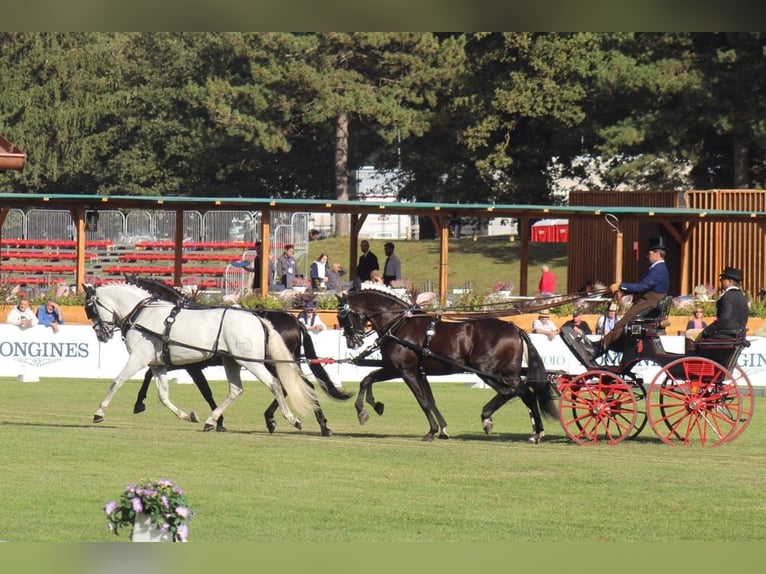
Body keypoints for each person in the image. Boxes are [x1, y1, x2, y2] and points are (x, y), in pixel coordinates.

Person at [601, 236, 669, 353]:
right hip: (648, 302)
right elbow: (641, 287)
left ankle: (600, 347)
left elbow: (641, 286)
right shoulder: (657, 268)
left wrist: (621, 285)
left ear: (657, 253)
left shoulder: (658, 270)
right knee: (621, 324)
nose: (647, 255)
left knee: (621, 324)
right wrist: (623, 291)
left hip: (647, 304)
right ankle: (608, 346)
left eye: (649, 253)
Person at [697, 267, 749, 341]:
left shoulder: (727, 296)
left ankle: (693, 353)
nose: (721, 281)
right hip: (739, 334)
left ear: (730, 281)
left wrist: (707, 331)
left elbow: (724, 318)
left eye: (723, 279)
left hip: (726, 334)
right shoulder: (743, 297)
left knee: (691, 333)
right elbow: (745, 317)